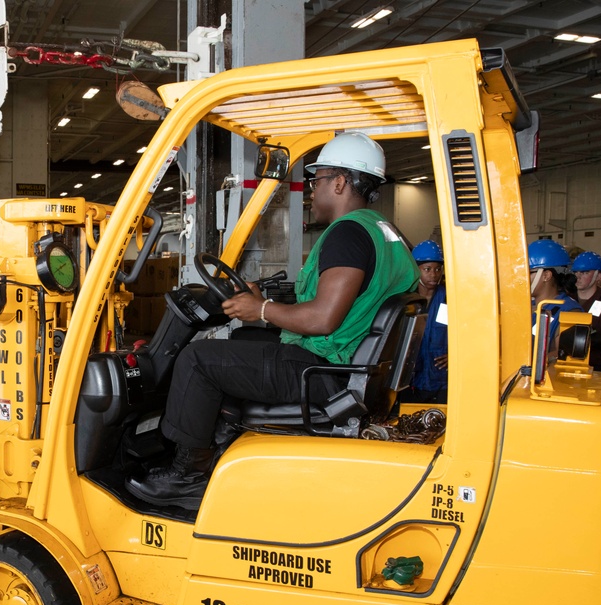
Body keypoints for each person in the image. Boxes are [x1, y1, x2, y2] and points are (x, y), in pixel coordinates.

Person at [125, 132, 419, 509]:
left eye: (318, 179)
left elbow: (324, 318)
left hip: (325, 371)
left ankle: (186, 476)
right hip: (352, 367)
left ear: (341, 182)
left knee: (198, 361)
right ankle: (223, 443)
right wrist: (262, 297)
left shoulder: (348, 234)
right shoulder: (388, 233)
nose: (313, 189)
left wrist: (260, 309)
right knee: (244, 341)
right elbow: (348, 298)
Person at [401, 240, 448, 403]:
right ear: (416, 269)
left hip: (442, 381)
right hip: (411, 381)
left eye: (438, 269)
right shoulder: (406, 301)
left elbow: (468, 332)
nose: (434, 274)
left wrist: (455, 355)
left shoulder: (450, 299)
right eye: (427, 269)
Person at [528, 239, 582, 355]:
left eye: (528, 272)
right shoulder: (530, 307)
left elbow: (564, 362)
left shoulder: (570, 313)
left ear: (546, 276)